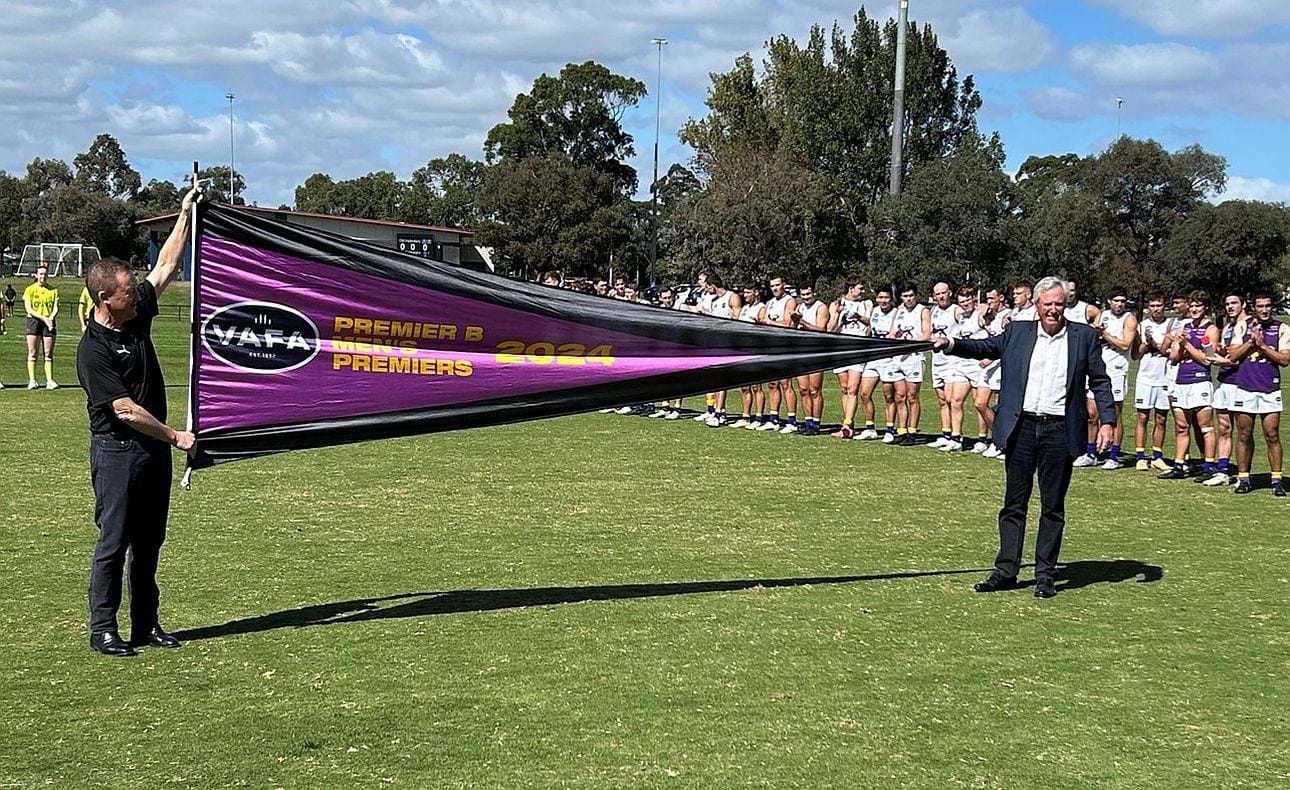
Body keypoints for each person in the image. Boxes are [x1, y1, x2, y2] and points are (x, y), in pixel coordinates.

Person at [935, 276, 1115, 599]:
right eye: (1048, 304)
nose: (1054, 310)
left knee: (1052, 506)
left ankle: (1045, 575)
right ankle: (1006, 571)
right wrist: (949, 344)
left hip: (1059, 431)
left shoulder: (1083, 337)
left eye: (1059, 304)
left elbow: (1100, 382)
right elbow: (984, 347)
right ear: (1036, 304)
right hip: (1022, 428)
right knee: (1013, 504)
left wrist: (1107, 421)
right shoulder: (1018, 331)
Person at [79, 187, 200, 657]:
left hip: (151, 453)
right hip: (117, 453)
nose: (139, 293)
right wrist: (175, 436)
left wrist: (186, 214)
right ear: (108, 299)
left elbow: (166, 266)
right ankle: (102, 628)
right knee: (115, 541)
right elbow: (125, 409)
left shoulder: (135, 313)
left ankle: (146, 624)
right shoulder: (94, 350)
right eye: (130, 291)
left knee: (149, 542)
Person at [1226, 291, 1288, 496]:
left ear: (1272, 306)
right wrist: (1251, 342)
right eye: (1260, 306)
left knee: (1272, 435)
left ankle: (1277, 480)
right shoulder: (1243, 326)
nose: (1264, 309)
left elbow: (1284, 360)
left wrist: (1262, 345)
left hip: (1270, 388)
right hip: (1245, 387)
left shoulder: (1282, 328)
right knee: (1244, 434)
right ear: (1253, 307)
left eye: (1267, 305)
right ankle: (1244, 478)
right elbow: (1233, 355)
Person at [1158, 291, 1219, 480]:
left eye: (1198, 306)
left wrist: (1187, 346)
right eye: (1191, 306)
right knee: (1181, 426)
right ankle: (1179, 465)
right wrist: (1178, 344)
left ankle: (1209, 465)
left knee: (1205, 427)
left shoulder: (1211, 329)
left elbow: (1207, 359)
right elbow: (1173, 358)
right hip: (1181, 380)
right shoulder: (1184, 326)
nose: (1194, 309)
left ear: (1205, 307)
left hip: (1200, 381)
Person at [1075, 287, 1136, 470]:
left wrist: (1105, 335)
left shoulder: (1129, 319)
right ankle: (1091, 452)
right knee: (1092, 413)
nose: (1120, 304)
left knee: (1114, 415)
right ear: (1109, 301)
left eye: (1123, 301)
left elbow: (1126, 344)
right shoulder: (1103, 315)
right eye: (1116, 300)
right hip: (1099, 369)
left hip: (1117, 370)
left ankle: (1115, 456)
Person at [1206, 292, 1248, 485]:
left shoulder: (1248, 324)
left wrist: (1222, 358)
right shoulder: (1229, 326)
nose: (1230, 306)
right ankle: (1223, 471)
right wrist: (1219, 354)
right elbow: (1227, 351)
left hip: (1239, 382)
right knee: (1223, 427)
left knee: (1243, 431)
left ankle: (1243, 474)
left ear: (1243, 304)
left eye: (1234, 303)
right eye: (1227, 304)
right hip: (1223, 379)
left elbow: (1237, 357)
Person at [967, 287, 1010, 459]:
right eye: (987, 298)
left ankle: (1003, 443)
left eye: (992, 298)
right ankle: (999, 439)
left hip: (1000, 364)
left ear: (1001, 297)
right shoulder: (989, 316)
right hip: (988, 366)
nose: (989, 301)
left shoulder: (1008, 316)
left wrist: (990, 358)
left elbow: (1007, 343)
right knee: (980, 403)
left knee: (1001, 407)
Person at [827, 277, 872, 439]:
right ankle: (848, 425)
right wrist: (837, 314)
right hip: (840, 349)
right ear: (851, 289)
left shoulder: (866, 304)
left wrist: (859, 317)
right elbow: (830, 329)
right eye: (860, 288)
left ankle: (847, 424)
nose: (863, 291)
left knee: (853, 388)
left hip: (858, 348)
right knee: (845, 388)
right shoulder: (836, 304)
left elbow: (870, 323)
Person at [1132, 293, 1172, 472]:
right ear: (1148, 307)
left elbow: (1170, 349)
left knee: (1161, 418)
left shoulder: (1171, 325)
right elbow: (1135, 354)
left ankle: (1157, 456)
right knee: (1142, 417)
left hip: (1164, 378)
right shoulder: (1142, 326)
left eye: (1159, 305)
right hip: (1145, 378)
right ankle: (1140, 456)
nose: (1156, 309)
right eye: (1153, 305)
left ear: (1165, 306)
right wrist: (1147, 344)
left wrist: (1159, 345)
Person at [889, 282, 931, 446]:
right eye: (905, 296)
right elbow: (892, 333)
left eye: (911, 295)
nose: (908, 299)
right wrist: (896, 335)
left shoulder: (923, 310)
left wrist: (909, 342)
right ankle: (901, 430)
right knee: (900, 396)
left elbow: (927, 334)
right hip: (898, 357)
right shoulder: (898, 311)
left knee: (912, 396)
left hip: (914, 357)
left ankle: (912, 431)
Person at [928, 282, 966, 449]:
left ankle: (957, 437)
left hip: (953, 360)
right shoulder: (933, 311)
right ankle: (946, 433)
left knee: (952, 400)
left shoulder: (956, 310)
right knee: (942, 400)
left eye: (944, 293)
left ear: (949, 293)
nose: (941, 296)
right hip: (937, 361)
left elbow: (969, 318)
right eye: (938, 294)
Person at [759, 275, 799, 433]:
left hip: (785, 346)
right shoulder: (770, 303)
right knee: (772, 383)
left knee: (786, 384)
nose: (775, 288)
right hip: (771, 346)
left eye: (777, 285)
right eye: (772, 286)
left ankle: (791, 421)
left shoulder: (789, 301)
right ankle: (773, 418)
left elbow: (789, 325)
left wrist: (770, 323)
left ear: (784, 285)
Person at [702, 272, 742, 427]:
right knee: (714, 377)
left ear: (712, 285)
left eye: (707, 287)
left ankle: (720, 412)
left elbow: (737, 320)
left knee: (721, 378)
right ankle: (718, 411)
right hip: (714, 343)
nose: (706, 290)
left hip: (727, 343)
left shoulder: (731, 297)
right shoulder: (714, 300)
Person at [860, 284, 898, 441]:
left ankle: (890, 429)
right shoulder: (875, 311)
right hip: (873, 357)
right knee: (864, 393)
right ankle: (870, 428)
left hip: (889, 359)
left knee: (889, 396)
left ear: (891, 299)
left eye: (886, 298)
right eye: (880, 297)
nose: (883, 301)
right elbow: (870, 328)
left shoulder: (896, 312)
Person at [790, 282, 828, 435]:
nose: (806, 297)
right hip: (801, 351)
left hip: (816, 352)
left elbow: (821, 329)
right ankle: (808, 421)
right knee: (803, 389)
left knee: (814, 390)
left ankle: (816, 423)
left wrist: (802, 322)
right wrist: (794, 322)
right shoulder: (800, 308)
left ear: (814, 293)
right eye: (803, 294)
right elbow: (793, 328)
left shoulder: (821, 307)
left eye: (808, 294)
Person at [733, 283, 767, 429]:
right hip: (743, 350)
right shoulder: (745, 309)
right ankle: (745, 416)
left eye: (748, 292)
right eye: (744, 293)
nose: (745, 295)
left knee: (756, 386)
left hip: (756, 350)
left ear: (756, 292)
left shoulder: (761, 308)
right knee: (744, 386)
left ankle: (759, 416)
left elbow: (764, 328)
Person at [23, 265, 61, 389]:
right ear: (36, 275)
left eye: (45, 274)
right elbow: (29, 309)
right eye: (40, 274)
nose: (42, 277)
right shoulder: (30, 290)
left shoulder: (53, 290)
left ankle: (49, 380)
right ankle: (32, 380)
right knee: (33, 352)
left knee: (48, 353)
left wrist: (50, 317)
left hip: (49, 321)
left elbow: (56, 307)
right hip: (34, 321)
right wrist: (44, 318)